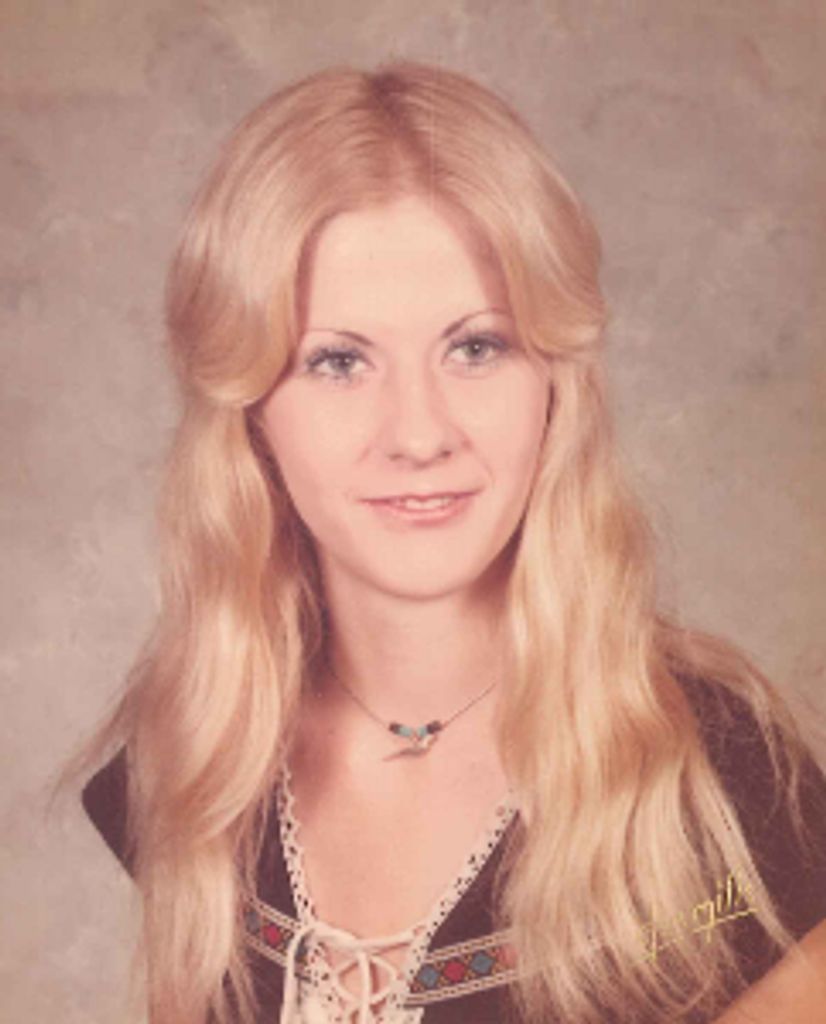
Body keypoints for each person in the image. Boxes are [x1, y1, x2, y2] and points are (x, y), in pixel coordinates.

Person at [77, 62, 826, 1024]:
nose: (420, 433)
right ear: (250, 411)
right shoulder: (192, 758)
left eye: (476, 348)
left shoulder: (726, 789)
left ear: (555, 382)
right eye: (338, 361)